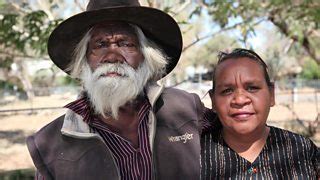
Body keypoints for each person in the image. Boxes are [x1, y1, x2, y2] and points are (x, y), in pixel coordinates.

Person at [26, 0, 216, 179]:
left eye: (125, 44)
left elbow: (236, 149)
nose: (112, 56)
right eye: (100, 45)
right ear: (84, 60)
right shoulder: (49, 144)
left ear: (145, 56)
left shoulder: (186, 108)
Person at [201, 48, 319, 179]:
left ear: (271, 95)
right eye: (227, 90)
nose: (240, 100)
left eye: (252, 88)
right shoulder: (194, 157)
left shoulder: (303, 150)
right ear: (213, 101)